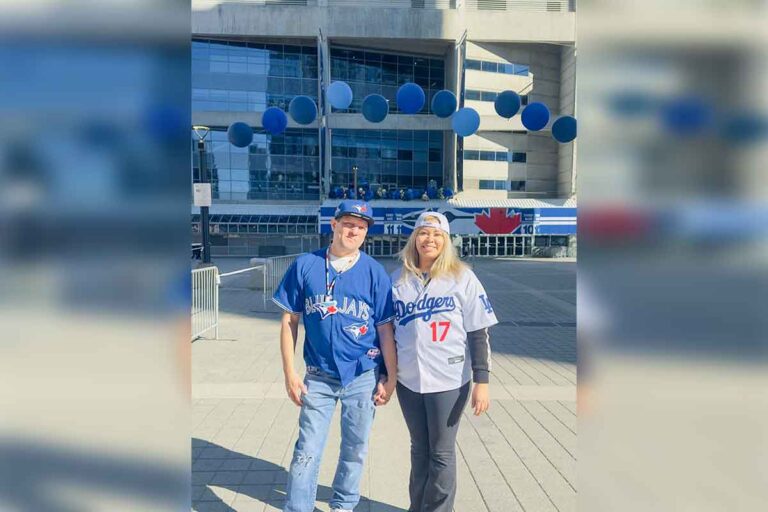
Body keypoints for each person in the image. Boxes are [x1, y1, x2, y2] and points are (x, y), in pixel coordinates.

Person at [272, 199, 398, 512]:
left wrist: (391, 377)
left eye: (360, 226)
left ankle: (343, 506)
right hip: (318, 375)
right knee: (307, 449)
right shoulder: (306, 265)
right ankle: (298, 508)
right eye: (348, 223)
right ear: (334, 225)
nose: (353, 230)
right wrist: (289, 373)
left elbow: (384, 329)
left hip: (363, 375)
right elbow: (289, 321)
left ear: (367, 232)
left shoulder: (374, 272)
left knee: (355, 448)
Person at [391, 211, 498, 512]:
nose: (430, 240)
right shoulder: (398, 280)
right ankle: (418, 507)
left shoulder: (463, 277)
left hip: (450, 381)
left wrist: (483, 382)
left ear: (446, 241)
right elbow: (386, 333)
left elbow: (479, 332)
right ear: (414, 239)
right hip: (408, 381)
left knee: (441, 453)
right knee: (419, 450)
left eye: (437, 235)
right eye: (424, 233)